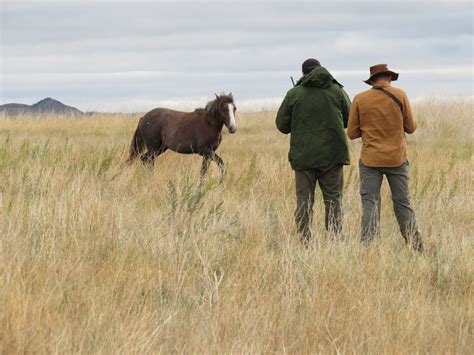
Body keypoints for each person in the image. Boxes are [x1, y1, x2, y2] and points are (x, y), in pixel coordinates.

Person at [347, 64, 423, 252]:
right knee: (403, 203)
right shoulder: (400, 95)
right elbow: (411, 128)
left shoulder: (359, 99)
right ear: (389, 78)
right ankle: (415, 246)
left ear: (372, 80)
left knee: (370, 203)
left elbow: (351, 133)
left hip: (370, 160)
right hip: (397, 158)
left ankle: (368, 248)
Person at [276, 58, 351, 245]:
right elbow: (349, 120)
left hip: (304, 156)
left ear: (303, 74)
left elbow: (282, 126)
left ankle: (305, 242)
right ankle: (334, 241)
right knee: (333, 201)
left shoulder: (294, 94)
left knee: (304, 201)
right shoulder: (337, 90)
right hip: (333, 156)